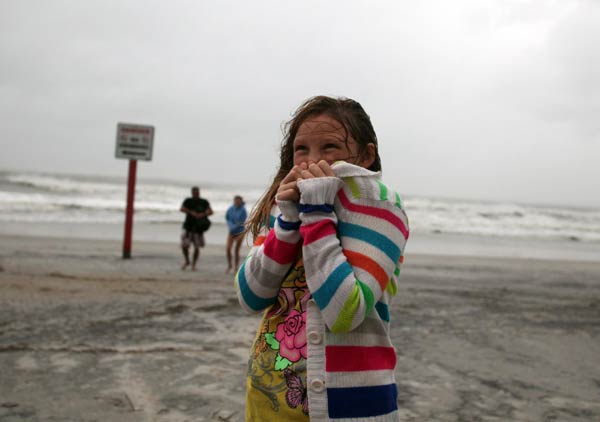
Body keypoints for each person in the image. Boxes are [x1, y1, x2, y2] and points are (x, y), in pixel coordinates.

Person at [235, 96, 409, 421]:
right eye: (302, 149)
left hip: (344, 409)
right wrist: (287, 223)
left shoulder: (381, 205)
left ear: (366, 155)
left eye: (329, 147)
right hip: (264, 404)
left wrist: (316, 213)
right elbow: (250, 297)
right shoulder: (286, 204)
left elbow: (345, 312)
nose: (311, 161)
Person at [180, 186, 213, 271]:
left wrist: (203, 214)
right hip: (188, 227)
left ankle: (193, 264)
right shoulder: (188, 201)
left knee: (197, 247)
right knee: (184, 246)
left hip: (198, 229)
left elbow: (210, 211)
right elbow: (182, 209)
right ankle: (187, 260)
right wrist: (191, 212)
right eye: (194, 192)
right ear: (192, 193)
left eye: (197, 192)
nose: (195, 194)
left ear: (199, 192)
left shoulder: (203, 201)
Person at [225, 195, 247, 274]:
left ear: (241, 201)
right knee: (228, 249)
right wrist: (231, 226)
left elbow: (241, 222)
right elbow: (227, 218)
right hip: (231, 231)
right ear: (234, 201)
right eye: (235, 200)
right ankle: (229, 265)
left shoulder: (243, 210)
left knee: (236, 250)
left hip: (240, 232)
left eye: (238, 201)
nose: (237, 202)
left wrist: (234, 226)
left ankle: (236, 267)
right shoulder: (231, 209)